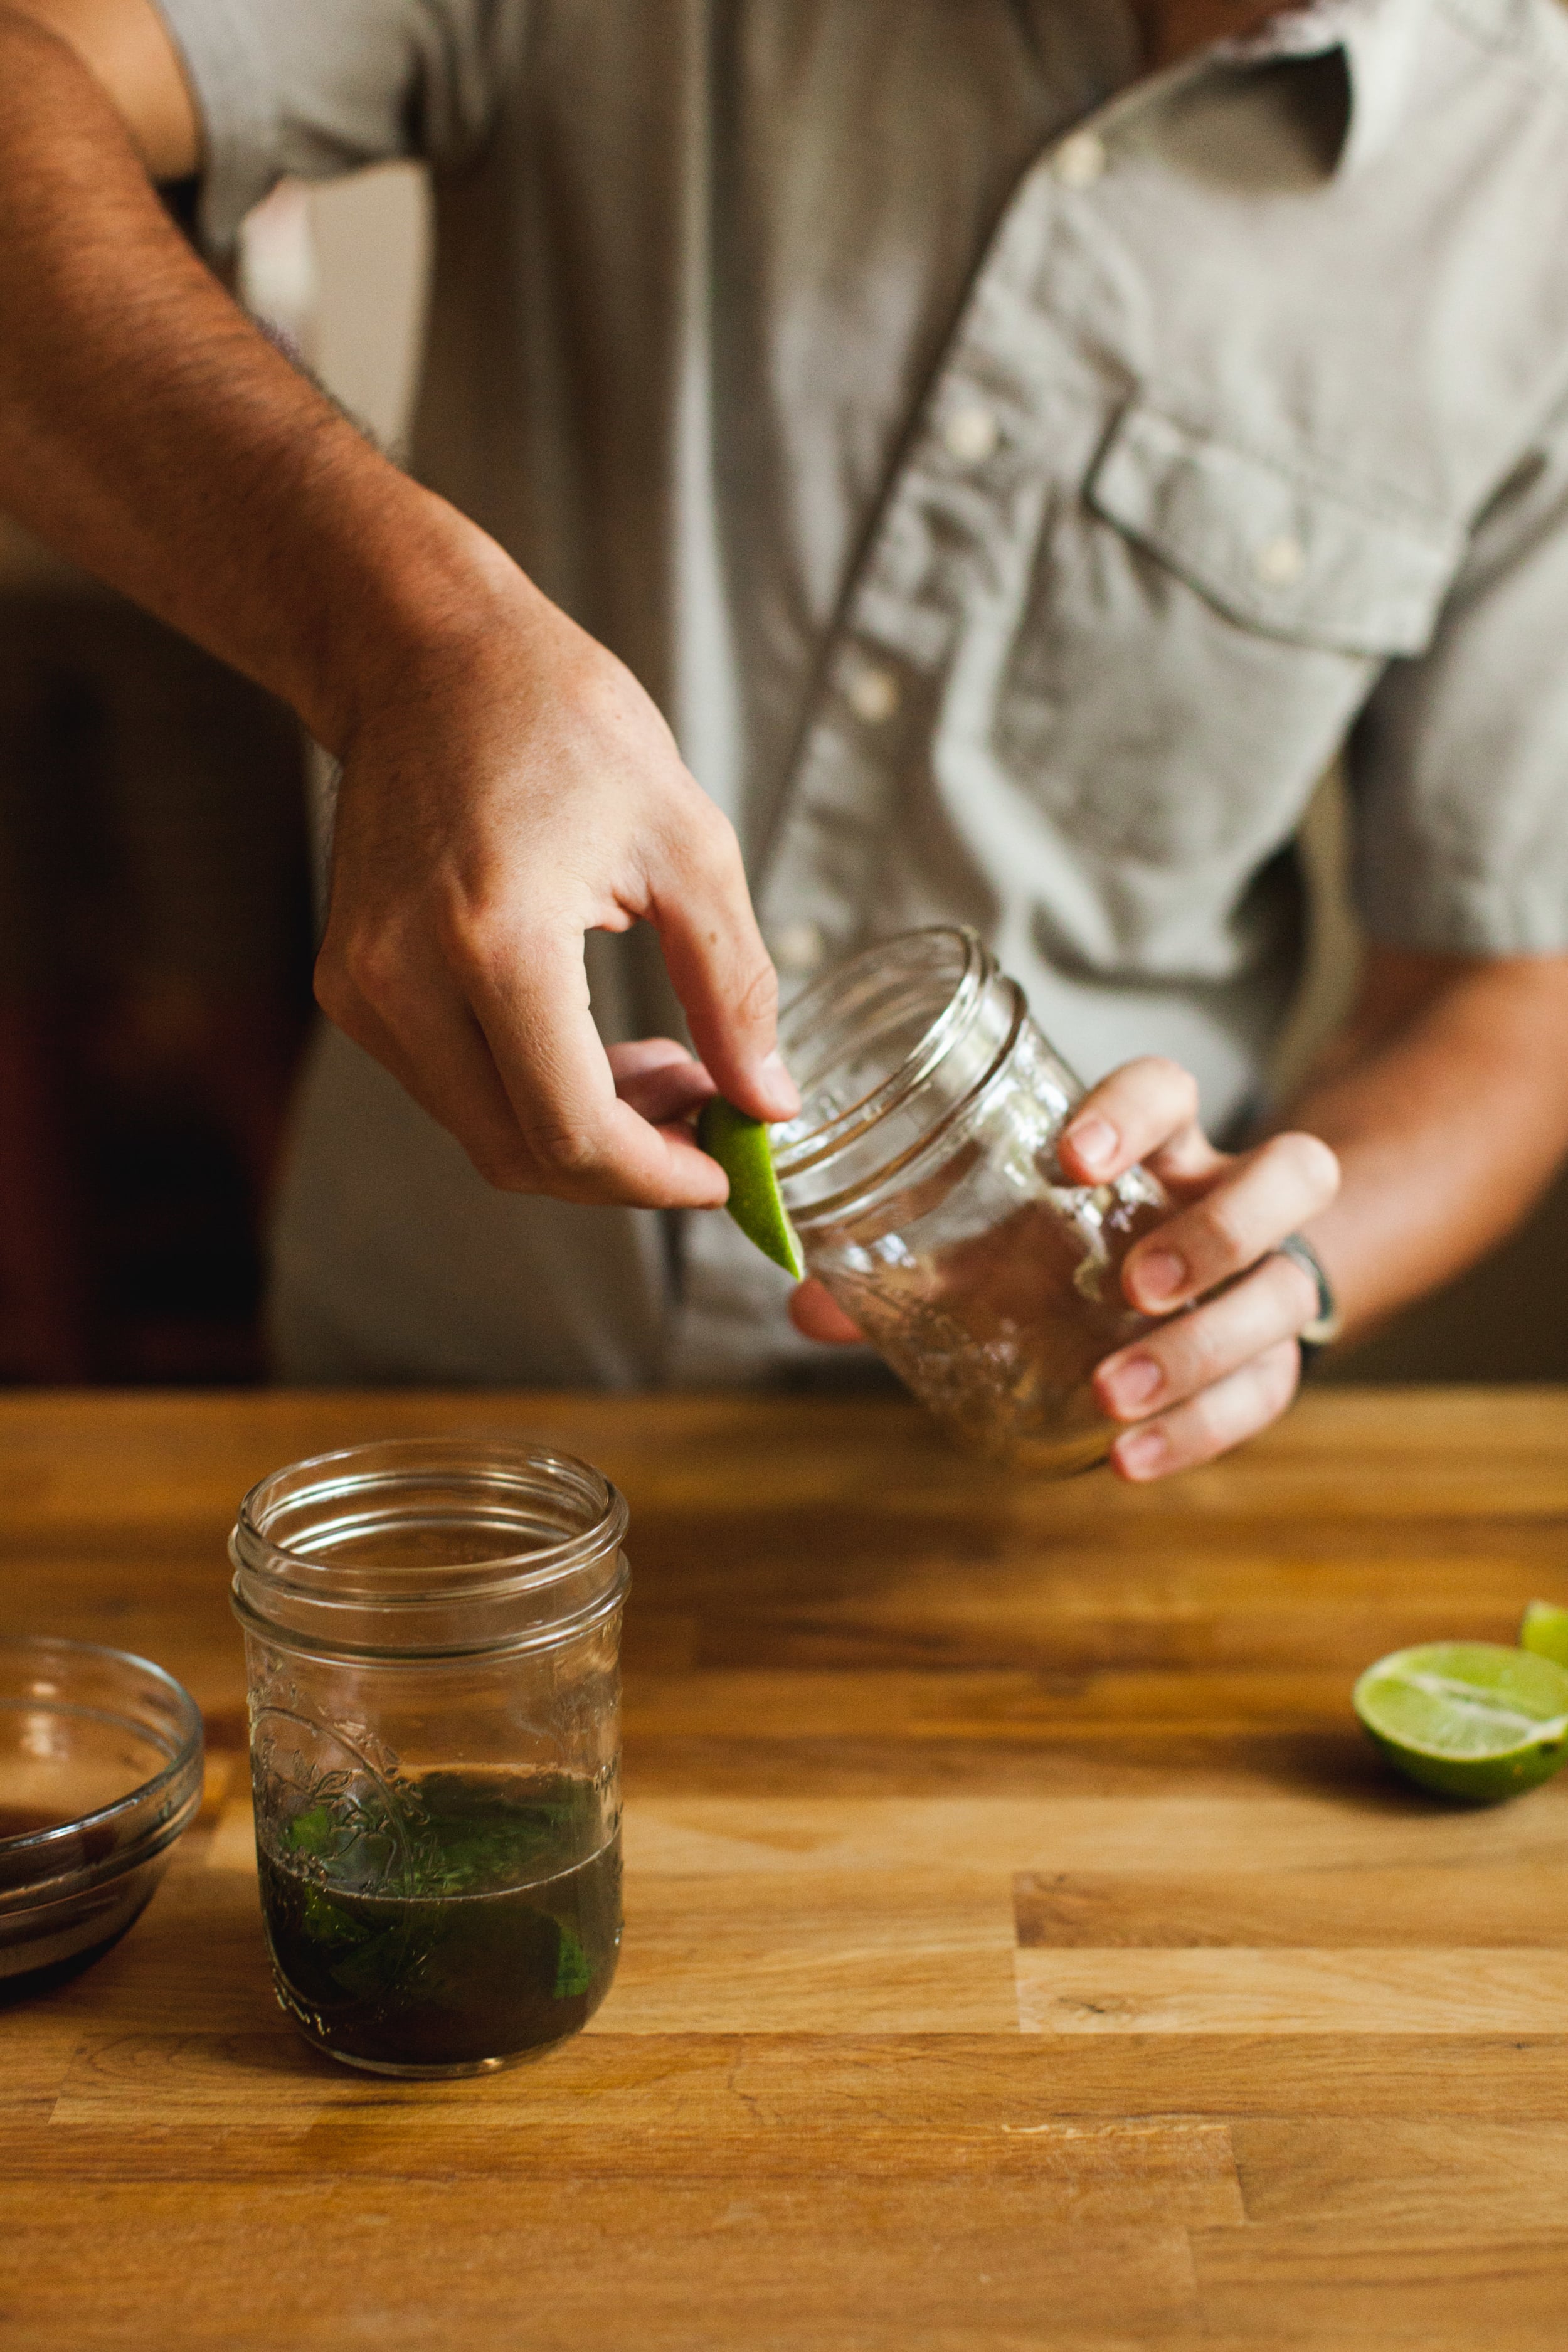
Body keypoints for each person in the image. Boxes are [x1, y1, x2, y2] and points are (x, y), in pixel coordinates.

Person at [4, 0, 1568, 1481]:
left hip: (1021, 1481)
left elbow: (1503, 990)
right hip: (432, 1393)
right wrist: (412, 633)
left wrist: (1263, 1262)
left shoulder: (1535, 192)